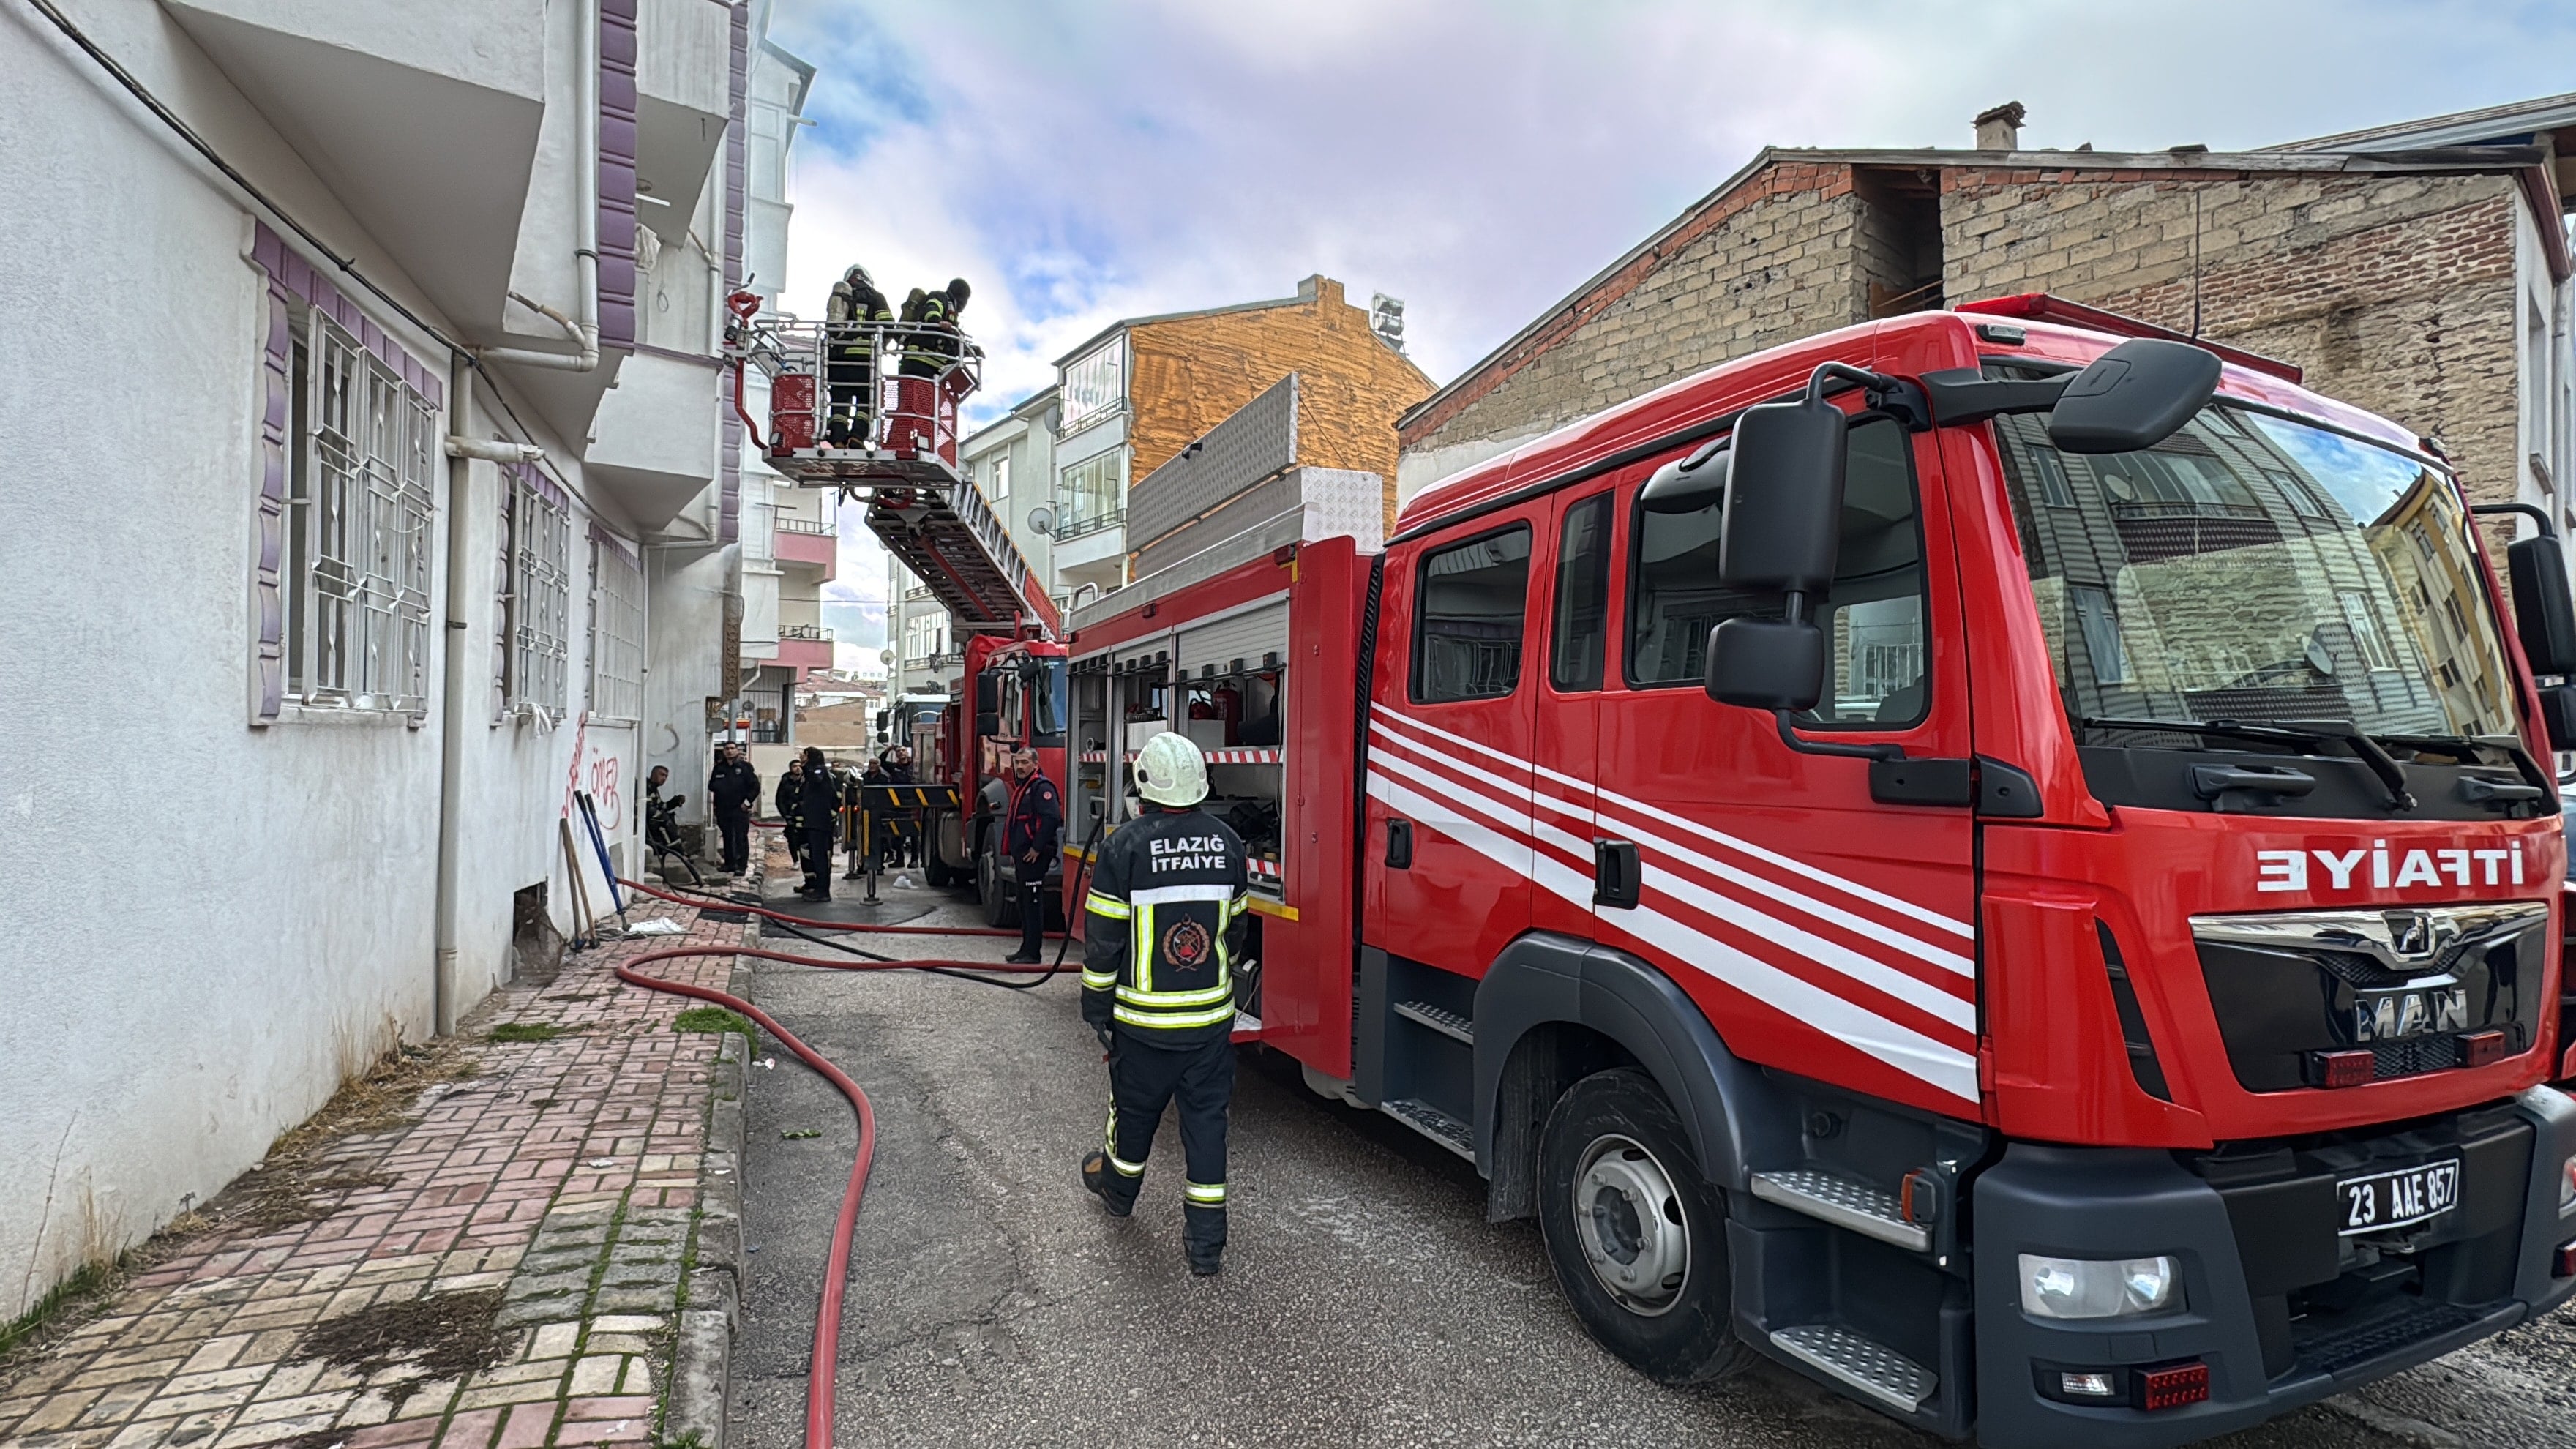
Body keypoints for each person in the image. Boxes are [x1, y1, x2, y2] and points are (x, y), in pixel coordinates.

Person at [1079, 732, 1249, 1276]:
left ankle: (1119, 1196)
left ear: (1143, 786)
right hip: (1209, 1025)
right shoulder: (1228, 843)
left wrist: (1095, 1006)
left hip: (1144, 1024)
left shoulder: (1124, 846)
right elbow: (1238, 927)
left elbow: (1104, 938)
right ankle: (1206, 1248)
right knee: (1206, 1127)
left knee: (1133, 1119)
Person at [1000, 748, 1060, 965]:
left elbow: (1052, 819)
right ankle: (1025, 949)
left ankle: (1033, 953)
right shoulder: (1023, 788)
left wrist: (1036, 848)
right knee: (1024, 904)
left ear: (1035, 764)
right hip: (1023, 856)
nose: (1020, 767)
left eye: (1025, 762)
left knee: (1033, 904)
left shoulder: (1042, 788)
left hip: (1035, 856)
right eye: (1018, 763)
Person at [823, 264, 891, 446]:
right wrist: (883, 345)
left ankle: (837, 439)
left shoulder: (840, 297)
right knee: (866, 402)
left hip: (838, 361)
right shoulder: (876, 297)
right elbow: (888, 325)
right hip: (864, 362)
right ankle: (856, 438)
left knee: (839, 403)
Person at [708, 744, 760, 877]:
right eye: (727, 749)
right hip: (723, 808)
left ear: (737, 751)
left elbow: (755, 787)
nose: (730, 751)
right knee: (727, 836)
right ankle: (730, 864)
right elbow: (712, 785)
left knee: (740, 837)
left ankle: (742, 865)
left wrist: (747, 803)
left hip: (740, 808)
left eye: (732, 748)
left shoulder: (745, 767)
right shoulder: (719, 768)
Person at [796, 747, 841, 899]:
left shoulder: (819, 771)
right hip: (812, 821)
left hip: (820, 821)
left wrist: (806, 765)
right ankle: (815, 886)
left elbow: (816, 779)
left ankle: (823, 891)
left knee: (820, 857)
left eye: (805, 755)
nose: (802, 757)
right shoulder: (809, 773)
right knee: (813, 856)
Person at [775, 755, 808, 875]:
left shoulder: (806, 781)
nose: (798, 768)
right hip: (791, 816)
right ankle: (796, 860)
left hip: (805, 816)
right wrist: (785, 815)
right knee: (792, 839)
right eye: (795, 766)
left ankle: (806, 861)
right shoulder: (785, 781)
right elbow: (780, 800)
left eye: (800, 766)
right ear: (790, 768)